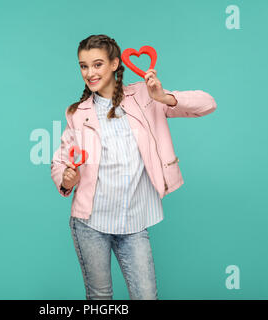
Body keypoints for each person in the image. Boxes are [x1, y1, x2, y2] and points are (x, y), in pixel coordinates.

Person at [50, 34, 217, 300]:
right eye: (84, 66)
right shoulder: (77, 113)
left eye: (97, 64)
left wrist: (164, 96)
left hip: (134, 223)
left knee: (146, 296)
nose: (89, 73)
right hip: (90, 224)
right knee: (100, 298)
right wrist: (67, 178)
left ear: (115, 64)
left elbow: (208, 104)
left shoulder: (144, 96)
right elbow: (60, 163)